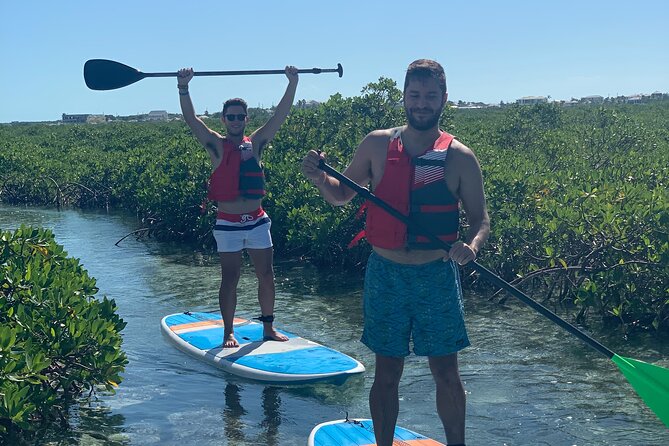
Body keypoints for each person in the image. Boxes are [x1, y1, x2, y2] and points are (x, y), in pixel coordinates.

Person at [301, 59, 489, 446]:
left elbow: (481, 221)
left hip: (436, 275)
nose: (422, 103)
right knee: (386, 373)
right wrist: (320, 178)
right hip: (385, 273)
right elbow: (340, 194)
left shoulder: (460, 157)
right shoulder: (376, 144)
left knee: (446, 373)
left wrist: (471, 246)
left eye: (430, 96)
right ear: (404, 97)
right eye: (415, 95)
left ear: (444, 100)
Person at [177, 65, 299, 348]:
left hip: (257, 221)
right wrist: (184, 87)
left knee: (266, 275)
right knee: (229, 278)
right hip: (228, 223)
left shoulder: (256, 143)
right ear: (223, 119)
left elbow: (279, 116)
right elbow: (191, 119)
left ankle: (268, 327)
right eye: (230, 116)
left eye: (239, 116)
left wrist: (292, 83)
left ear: (246, 119)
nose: (235, 120)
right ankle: (228, 332)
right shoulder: (215, 145)